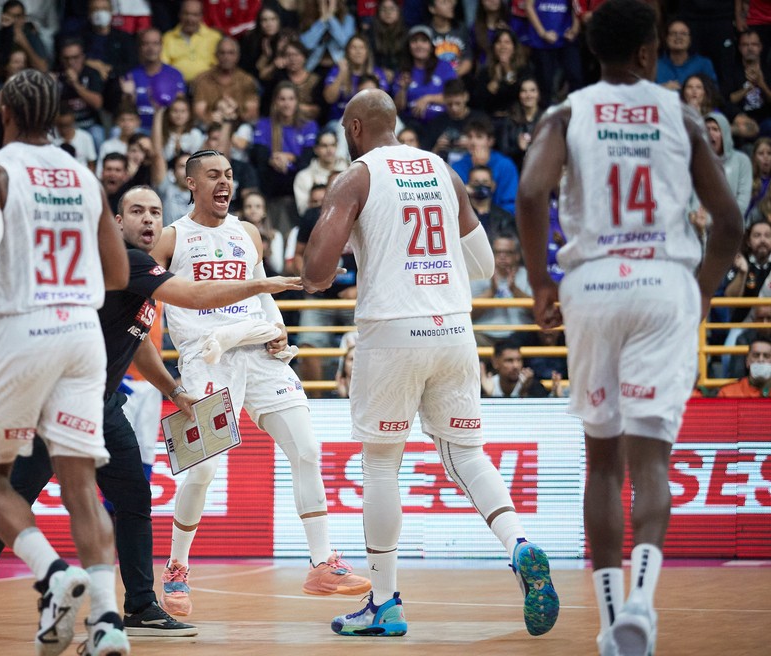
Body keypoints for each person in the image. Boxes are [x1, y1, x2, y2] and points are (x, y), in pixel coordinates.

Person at [0, 184, 302, 637]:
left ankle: (141, 605)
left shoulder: (136, 270)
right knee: (18, 497)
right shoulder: (130, 262)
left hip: (103, 406)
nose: (148, 219)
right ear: (117, 222)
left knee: (134, 498)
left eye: (155, 211)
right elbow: (195, 296)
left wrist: (173, 390)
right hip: (56, 404)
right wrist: (262, 284)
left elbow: (138, 342)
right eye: (137, 211)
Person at [515, 2, 744, 654]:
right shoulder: (681, 116)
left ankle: (612, 620)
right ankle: (642, 601)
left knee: (603, 464)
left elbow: (530, 193)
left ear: (594, 52)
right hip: (662, 283)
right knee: (651, 460)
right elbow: (729, 222)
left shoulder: (567, 113)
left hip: (592, 286)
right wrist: (699, 292)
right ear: (648, 52)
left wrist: (540, 281)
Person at [302, 88, 558, 638]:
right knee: (466, 455)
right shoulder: (443, 170)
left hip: (392, 333)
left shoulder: (356, 177)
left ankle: (384, 603)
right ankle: (519, 544)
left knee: (380, 465)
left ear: (354, 128)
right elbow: (484, 264)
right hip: (454, 331)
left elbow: (317, 273)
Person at [0, 69, 131, 656]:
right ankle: (107, 622)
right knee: (81, 487)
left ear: (4, 110)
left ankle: (52, 574)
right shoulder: (85, 177)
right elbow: (119, 273)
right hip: (82, 334)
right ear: (56, 115)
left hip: (18, 327)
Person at [150, 149, 371, 617]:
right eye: (213, 175)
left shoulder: (248, 232)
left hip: (258, 353)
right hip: (208, 360)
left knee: (307, 449)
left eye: (229, 175)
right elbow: (151, 297)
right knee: (203, 471)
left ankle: (322, 563)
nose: (224, 182)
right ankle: (176, 568)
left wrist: (278, 328)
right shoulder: (173, 237)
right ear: (191, 183)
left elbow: (262, 288)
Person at [481, 341, 551, 399]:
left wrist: (524, 393)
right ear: (495, 362)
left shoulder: (533, 386)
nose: (516, 366)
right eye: (509, 360)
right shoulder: (484, 387)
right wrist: (488, 396)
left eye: (519, 360)